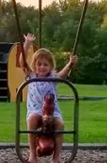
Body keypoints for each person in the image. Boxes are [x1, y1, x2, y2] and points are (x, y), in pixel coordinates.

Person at [21, 33, 77, 163]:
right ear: (34, 65)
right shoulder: (32, 76)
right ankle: (32, 155)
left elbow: (63, 74)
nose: (42, 67)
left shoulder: (53, 78)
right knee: (31, 121)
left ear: (51, 66)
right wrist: (27, 44)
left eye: (45, 64)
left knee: (60, 124)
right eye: (39, 64)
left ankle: (56, 157)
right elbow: (22, 62)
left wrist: (70, 63)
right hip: (35, 110)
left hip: (53, 111)